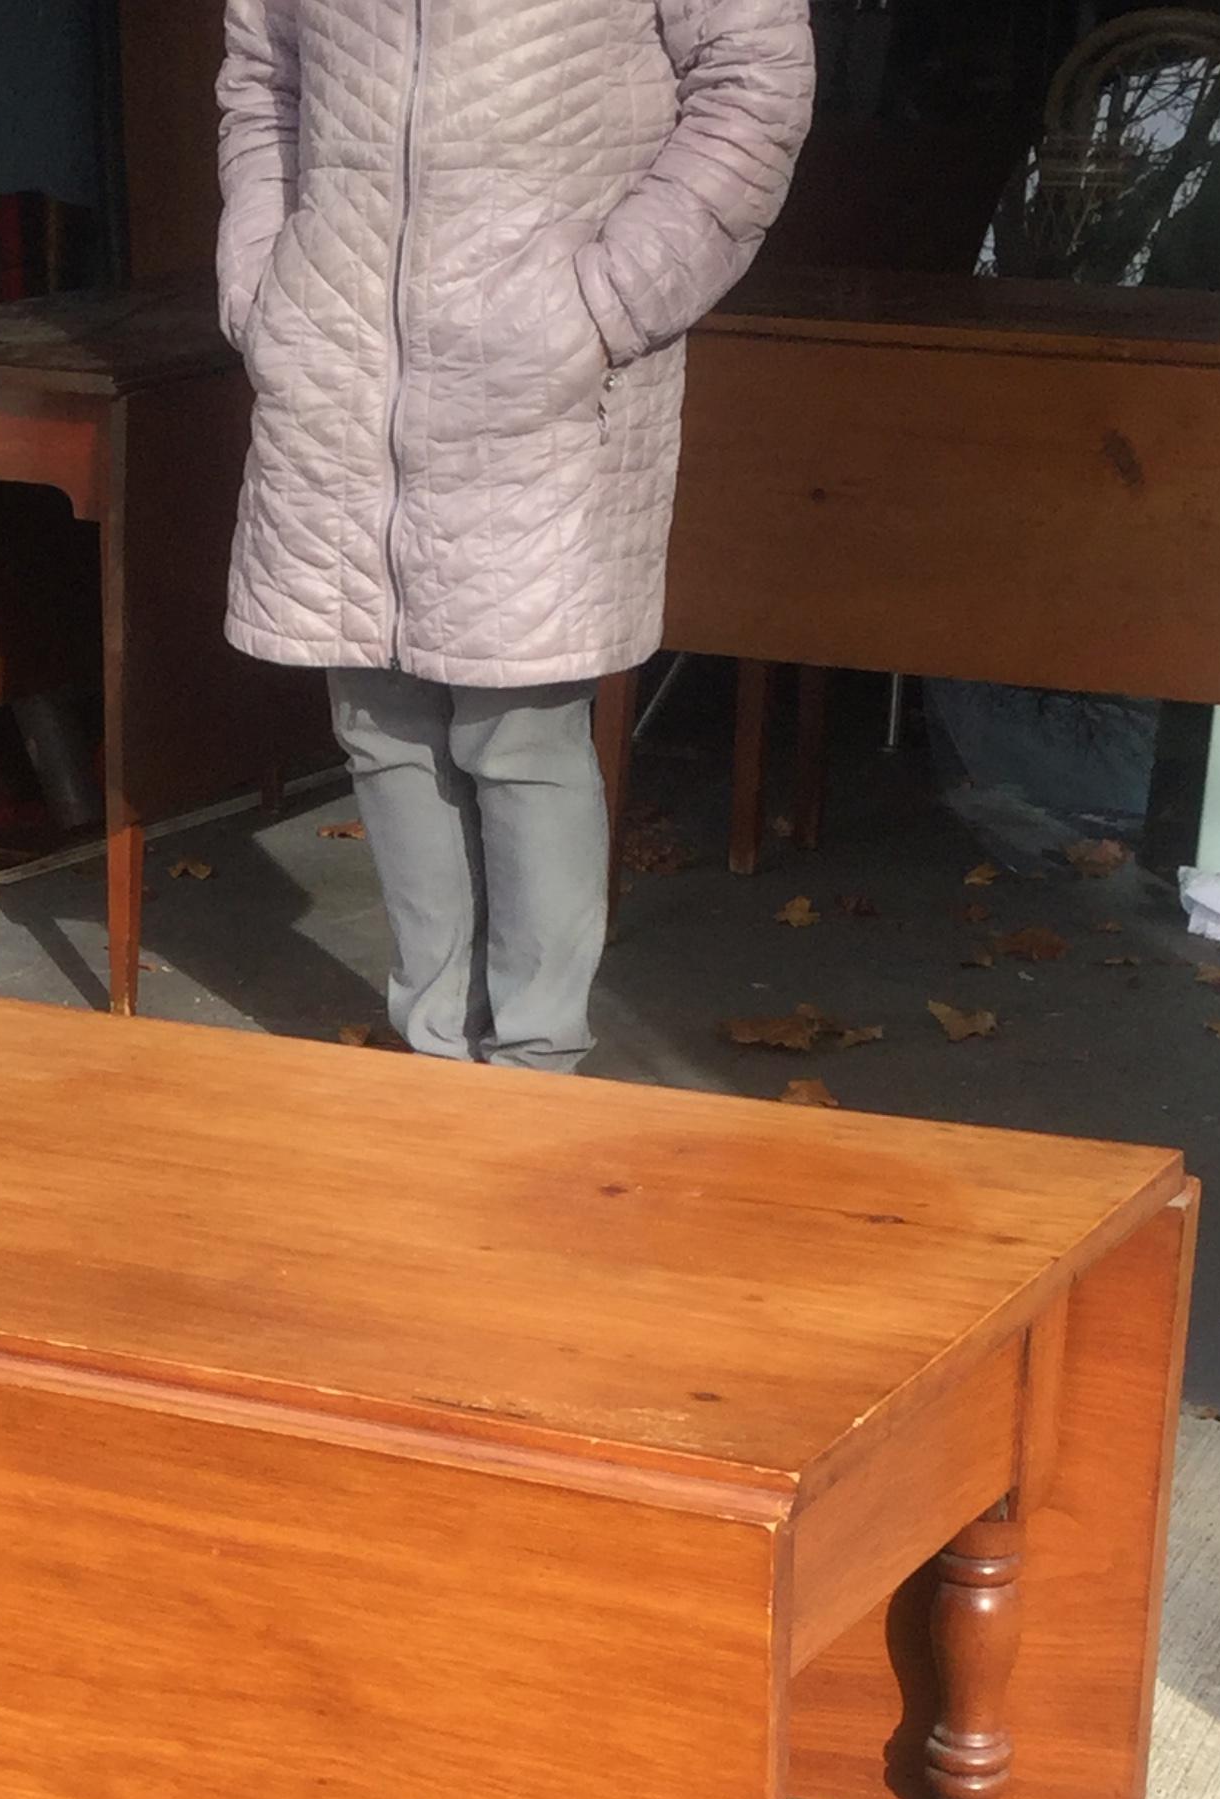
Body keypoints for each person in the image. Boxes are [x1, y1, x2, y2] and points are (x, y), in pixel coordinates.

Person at [217, 0, 814, 1070]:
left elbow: (755, 81)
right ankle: (436, 1061)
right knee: (380, 719)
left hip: (538, 374)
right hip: (339, 358)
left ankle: (537, 1071)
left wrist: (606, 301)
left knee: (522, 730)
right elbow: (264, 79)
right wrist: (265, 281)